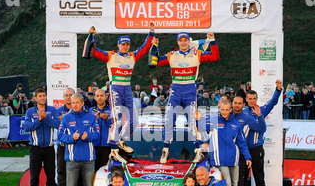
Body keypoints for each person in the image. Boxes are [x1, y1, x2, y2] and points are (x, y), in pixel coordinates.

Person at [83, 23, 155, 164]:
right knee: (118, 119)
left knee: (134, 121)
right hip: (115, 87)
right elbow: (95, 51)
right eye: (123, 44)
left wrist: (151, 33)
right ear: (118, 45)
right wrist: (92, 35)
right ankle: (114, 149)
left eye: (127, 44)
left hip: (127, 88)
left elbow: (145, 49)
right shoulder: (111, 55)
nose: (126, 46)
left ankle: (120, 141)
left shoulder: (132, 56)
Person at [153, 31, 220, 164]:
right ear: (178, 42)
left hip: (190, 89)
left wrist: (212, 41)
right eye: (181, 40)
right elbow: (155, 62)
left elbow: (214, 56)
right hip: (176, 90)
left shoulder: (196, 53)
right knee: (169, 119)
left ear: (189, 41)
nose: (183, 42)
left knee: (193, 121)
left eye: (185, 40)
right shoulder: (172, 55)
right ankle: (165, 149)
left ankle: (198, 151)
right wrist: (155, 46)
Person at [202, 99, 252, 186]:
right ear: (220, 109)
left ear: (231, 110)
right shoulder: (214, 120)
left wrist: (248, 157)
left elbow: (242, 142)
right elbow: (203, 126)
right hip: (219, 160)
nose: (224, 112)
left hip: (234, 160)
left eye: (227, 110)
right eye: (222, 109)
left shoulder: (236, 124)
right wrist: (198, 118)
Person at [58, 93, 99, 186]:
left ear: (82, 103)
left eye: (77, 102)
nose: (74, 104)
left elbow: (97, 134)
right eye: (72, 102)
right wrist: (72, 138)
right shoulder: (66, 118)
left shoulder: (91, 117)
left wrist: (88, 136)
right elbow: (60, 136)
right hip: (72, 160)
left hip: (88, 160)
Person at [243, 80, 282, 186]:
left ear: (257, 99)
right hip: (243, 150)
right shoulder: (241, 112)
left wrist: (278, 89)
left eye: (254, 98)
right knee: (242, 176)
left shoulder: (261, 109)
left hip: (256, 149)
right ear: (246, 99)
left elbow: (273, 102)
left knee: (258, 175)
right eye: (250, 98)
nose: (252, 101)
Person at [23, 88, 61, 186]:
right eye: (39, 96)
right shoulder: (30, 112)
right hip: (35, 149)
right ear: (35, 98)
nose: (42, 98)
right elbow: (26, 127)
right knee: (34, 177)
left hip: (49, 148)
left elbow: (57, 125)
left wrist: (46, 117)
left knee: (51, 177)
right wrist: (39, 120)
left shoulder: (52, 110)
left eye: (44, 95)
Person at [232, 95, 266, 186]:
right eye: (235, 103)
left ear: (243, 104)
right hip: (233, 154)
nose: (237, 105)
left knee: (253, 177)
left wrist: (259, 115)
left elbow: (262, 129)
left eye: (239, 103)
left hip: (249, 151)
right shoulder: (227, 115)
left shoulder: (248, 117)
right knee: (236, 180)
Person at [56, 88, 83, 186]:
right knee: (62, 173)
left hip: (76, 147)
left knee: (81, 173)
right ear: (63, 97)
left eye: (70, 95)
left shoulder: (80, 112)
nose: (68, 97)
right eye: (66, 95)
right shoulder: (58, 111)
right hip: (63, 147)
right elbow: (56, 126)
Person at [93, 89, 112, 172]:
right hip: (94, 146)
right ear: (94, 98)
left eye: (101, 95)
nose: (99, 98)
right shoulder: (91, 111)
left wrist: (107, 119)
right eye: (97, 96)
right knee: (94, 171)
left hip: (107, 146)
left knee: (105, 171)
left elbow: (116, 126)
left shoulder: (111, 111)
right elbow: (86, 128)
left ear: (105, 97)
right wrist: (94, 120)